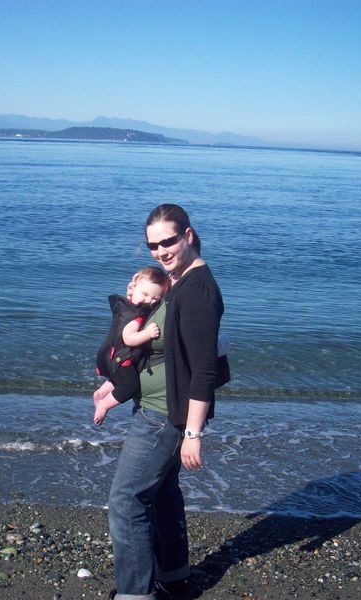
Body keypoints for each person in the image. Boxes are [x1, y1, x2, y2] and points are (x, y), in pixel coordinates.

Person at [107, 204, 229, 600]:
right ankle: (174, 576)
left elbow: (204, 370)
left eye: (169, 241)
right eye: (153, 245)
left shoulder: (198, 291)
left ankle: (135, 594)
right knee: (161, 491)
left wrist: (192, 433)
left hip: (165, 415)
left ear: (188, 235)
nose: (161, 251)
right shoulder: (180, 280)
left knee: (126, 501)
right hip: (163, 408)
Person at [94, 266, 170, 425]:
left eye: (155, 299)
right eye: (145, 294)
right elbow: (128, 338)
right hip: (121, 360)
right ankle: (104, 404)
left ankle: (101, 393)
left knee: (119, 379)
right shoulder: (137, 316)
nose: (148, 300)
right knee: (130, 385)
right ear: (133, 288)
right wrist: (148, 334)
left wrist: (133, 292)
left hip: (110, 357)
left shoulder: (126, 305)